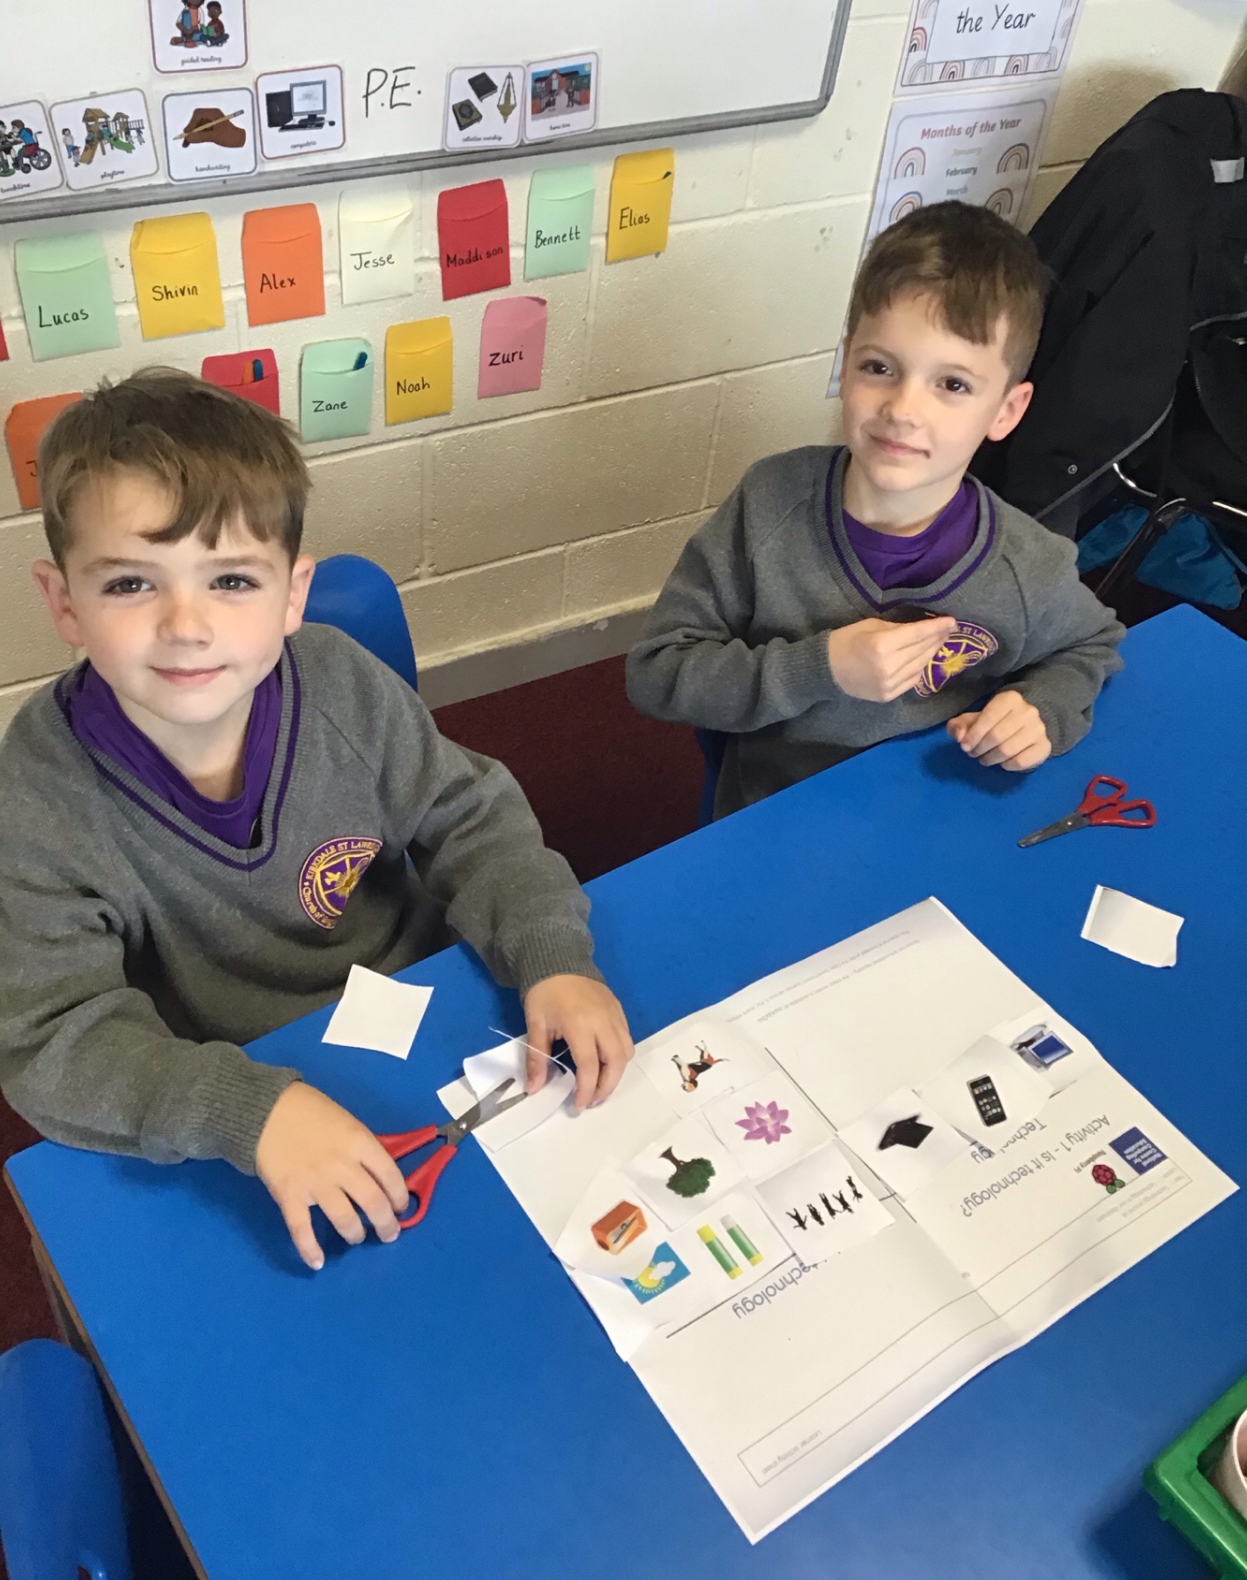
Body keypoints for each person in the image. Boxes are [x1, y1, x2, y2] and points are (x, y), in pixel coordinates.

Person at [0, 369, 633, 1271]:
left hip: (436, 1009)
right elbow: (54, 1040)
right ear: (64, 601)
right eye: (132, 584)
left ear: (292, 595)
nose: (186, 626)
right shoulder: (38, 795)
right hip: (232, 1082)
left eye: (230, 579)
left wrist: (551, 954)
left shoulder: (339, 685)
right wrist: (245, 1112)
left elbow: (471, 816)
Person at [627, 201, 1125, 816]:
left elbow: (1093, 643)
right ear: (846, 365)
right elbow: (657, 673)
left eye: (953, 384)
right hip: (780, 813)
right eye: (879, 367)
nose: (903, 409)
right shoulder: (769, 504)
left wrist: (1042, 708)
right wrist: (820, 668)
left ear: (1006, 411)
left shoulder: (1028, 565)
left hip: (937, 809)